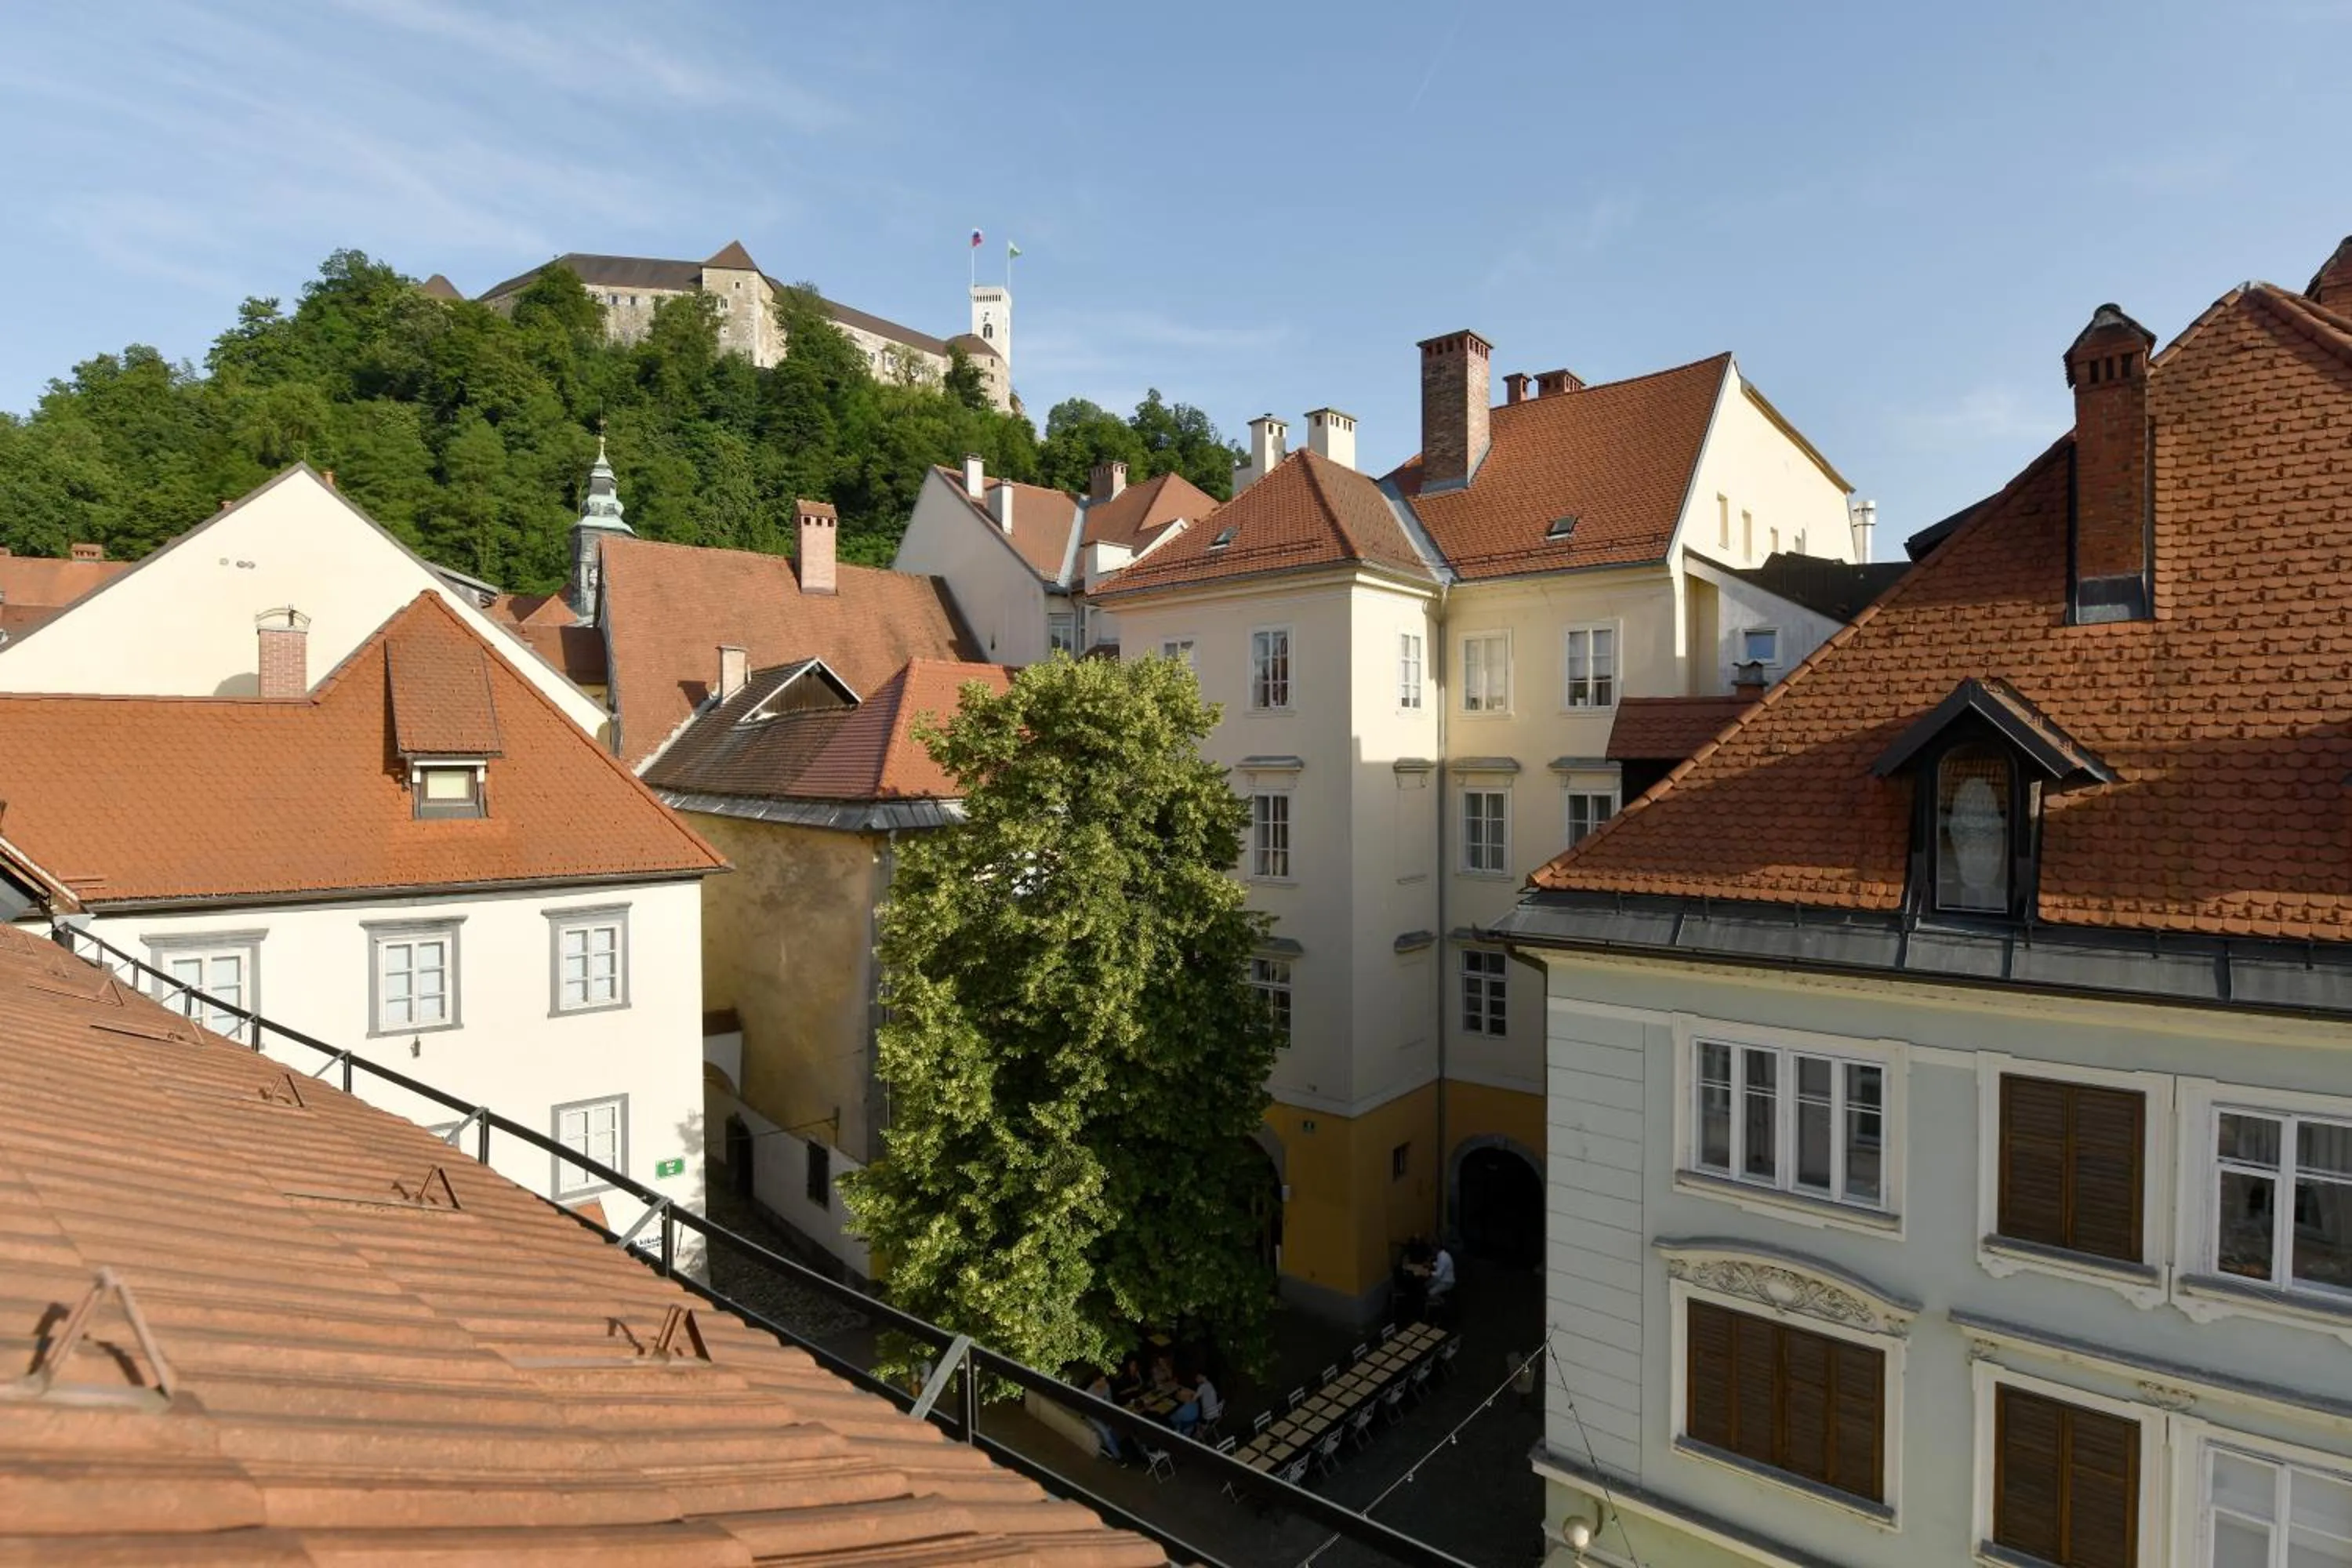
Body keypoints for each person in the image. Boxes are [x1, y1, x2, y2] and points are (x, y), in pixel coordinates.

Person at [1083, 1371, 1131, 1463]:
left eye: (1105, 1380)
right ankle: (1118, 1458)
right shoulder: (1089, 1394)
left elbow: (1109, 1401)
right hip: (1092, 1415)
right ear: (1096, 1382)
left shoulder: (1107, 1386)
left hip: (1104, 1412)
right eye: (1102, 1381)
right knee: (1106, 1433)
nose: (1104, 1383)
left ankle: (1118, 1447)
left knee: (1113, 1428)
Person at [1173, 1371, 1221, 1438]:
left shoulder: (1202, 1387)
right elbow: (1197, 1394)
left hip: (1207, 1416)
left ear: (1203, 1377)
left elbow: (1193, 1399)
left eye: (1198, 1377)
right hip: (1215, 1413)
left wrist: (1183, 1396)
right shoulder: (1209, 1384)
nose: (1196, 1379)